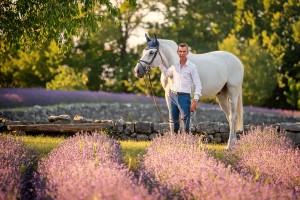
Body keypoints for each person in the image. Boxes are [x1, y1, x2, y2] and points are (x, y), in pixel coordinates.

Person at [159, 43, 202, 134]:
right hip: (173, 96)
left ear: (187, 52)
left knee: (185, 125)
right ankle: (176, 145)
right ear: (177, 52)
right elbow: (167, 74)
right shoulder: (174, 66)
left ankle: (186, 145)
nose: (182, 53)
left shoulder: (192, 67)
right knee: (175, 124)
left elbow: (198, 84)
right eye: (180, 51)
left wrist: (195, 100)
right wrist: (160, 64)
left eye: (184, 51)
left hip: (184, 97)